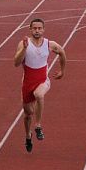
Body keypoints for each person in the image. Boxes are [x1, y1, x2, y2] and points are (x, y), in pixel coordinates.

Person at [13, 18, 67, 153]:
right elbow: (16, 63)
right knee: (27, 114)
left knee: (39, 95)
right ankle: (28, 136)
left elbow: (62, 53)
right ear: (30, 30)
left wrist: (62, 70)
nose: (37, 31)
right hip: (27, 83)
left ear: (43, 29)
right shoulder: (24, 44)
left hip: (43, 80)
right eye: (34, 28)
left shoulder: (49, 44)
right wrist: (23, 49)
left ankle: (38, 126)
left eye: (39, 28)